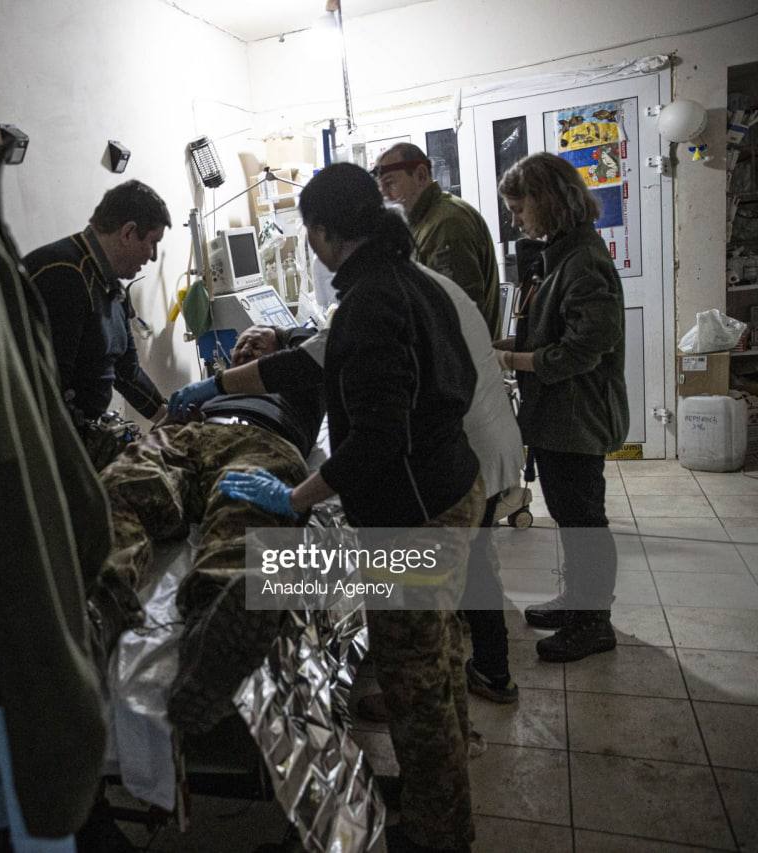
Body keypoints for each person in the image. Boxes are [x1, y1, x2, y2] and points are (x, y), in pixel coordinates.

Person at [218, 164, 483, 853]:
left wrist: (295, 495)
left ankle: (437, 832)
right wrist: (218, 386)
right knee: (439, 658)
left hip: (416, 516)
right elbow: (316, 361)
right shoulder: (408, 280)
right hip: (451, 489)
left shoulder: (370, 302)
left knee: (414, 681)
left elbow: (375, 441)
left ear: (323, 231)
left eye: (309, 231)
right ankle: (440, 793)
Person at [87, 326, 325, 733]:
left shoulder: (299, 376)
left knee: (244, 507)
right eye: (242, 342)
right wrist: (174, 418)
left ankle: (217, 631)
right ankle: (101, 604)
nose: (246, 345)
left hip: (261, 439)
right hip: (189, 436)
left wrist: (274, 338)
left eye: (259, 340)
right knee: (125, 481)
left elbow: (312, 345)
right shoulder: (210, 392)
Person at [496, 152, 629, 663]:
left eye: (519, 208)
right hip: (558, 416)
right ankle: (579, 603)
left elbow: (583, 348)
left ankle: (594, 624)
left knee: (583, 521)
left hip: (576, 415)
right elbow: (553, 329)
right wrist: (506, 344)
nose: (516, 221)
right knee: (570, 516)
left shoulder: (584, 261)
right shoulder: (563, 255)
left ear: (547, 201)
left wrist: (515, 359)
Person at [24, 181, 170, 458]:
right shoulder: (63, 274)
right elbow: (48, 390)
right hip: (52, 446)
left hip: (83, 435)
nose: (152, 256)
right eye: (152, 242)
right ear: (128, 232)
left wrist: (169, 415)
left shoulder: (111, 287)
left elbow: (127, 373)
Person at [374, 142, 501, 335]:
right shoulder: (426, 221)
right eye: (380, 187)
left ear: (421, 175)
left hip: (461, 352)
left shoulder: (446, 224)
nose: (384, 195)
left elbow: (459, 314)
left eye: (390, 183)